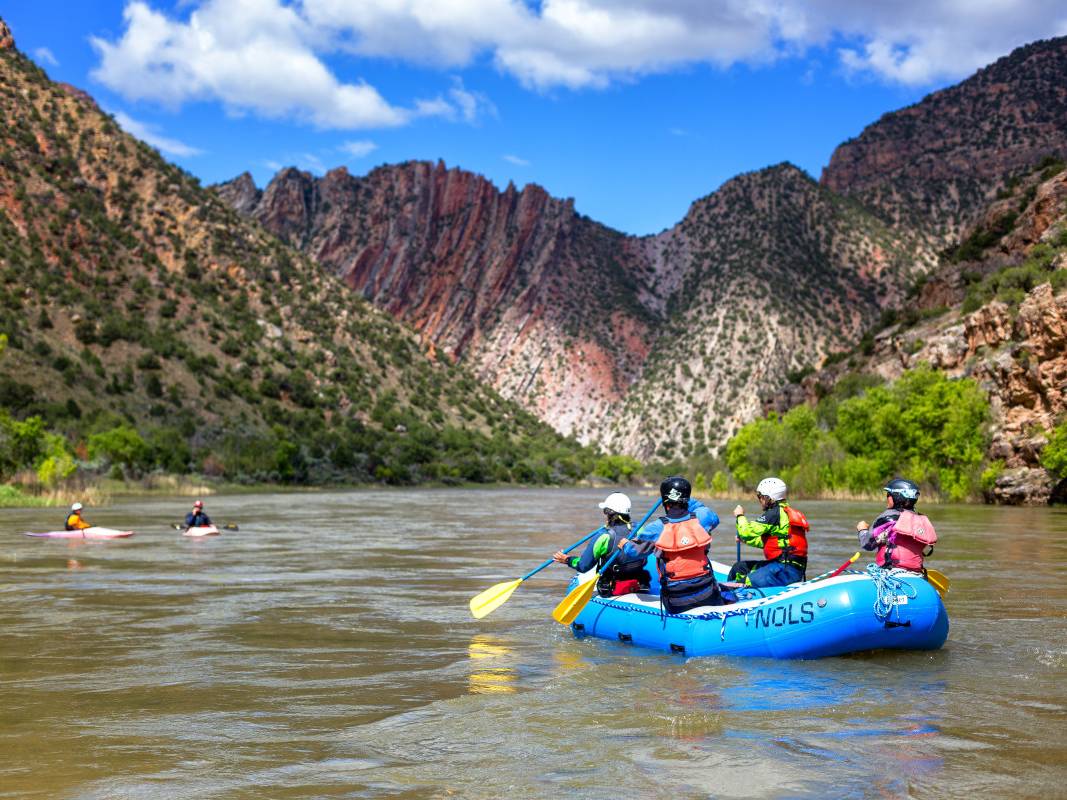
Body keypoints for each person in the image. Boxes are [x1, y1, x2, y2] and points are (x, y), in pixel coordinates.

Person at [619, 476, 725, 613]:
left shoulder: (655, 528)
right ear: (687, 498)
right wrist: (684, 497)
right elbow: (710, 515)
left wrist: (625, 545)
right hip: (708, 594)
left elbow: (633, 553)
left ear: (665, 501)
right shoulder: (703, 517)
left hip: (676, 601)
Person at [553, 492, 650, 596]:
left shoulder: (604, 536)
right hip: (638, 583)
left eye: (605, 511)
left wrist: (567, 560)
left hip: (612, 587)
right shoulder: (640, 529)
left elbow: (583, 566)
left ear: (609, 513)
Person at [728, 477, 809, 587]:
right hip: (786, 567)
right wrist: (745, 541)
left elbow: (746, 532)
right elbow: (770, 543)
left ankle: (729, 598)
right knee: (739, 568)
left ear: (768, 497)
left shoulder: (774, 514)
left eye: (760, 496)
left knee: (740, 583)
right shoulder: (784, 513)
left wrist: (740, 515)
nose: (759, 500)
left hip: (784, 570)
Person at [856, 478, 937, 573]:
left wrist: (862, 530)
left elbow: (867, 544)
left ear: (897, 497)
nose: (887, 498)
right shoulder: (920, 519)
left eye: (888, 495)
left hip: (891, 571)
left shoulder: (888, 517)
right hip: (916, 572)